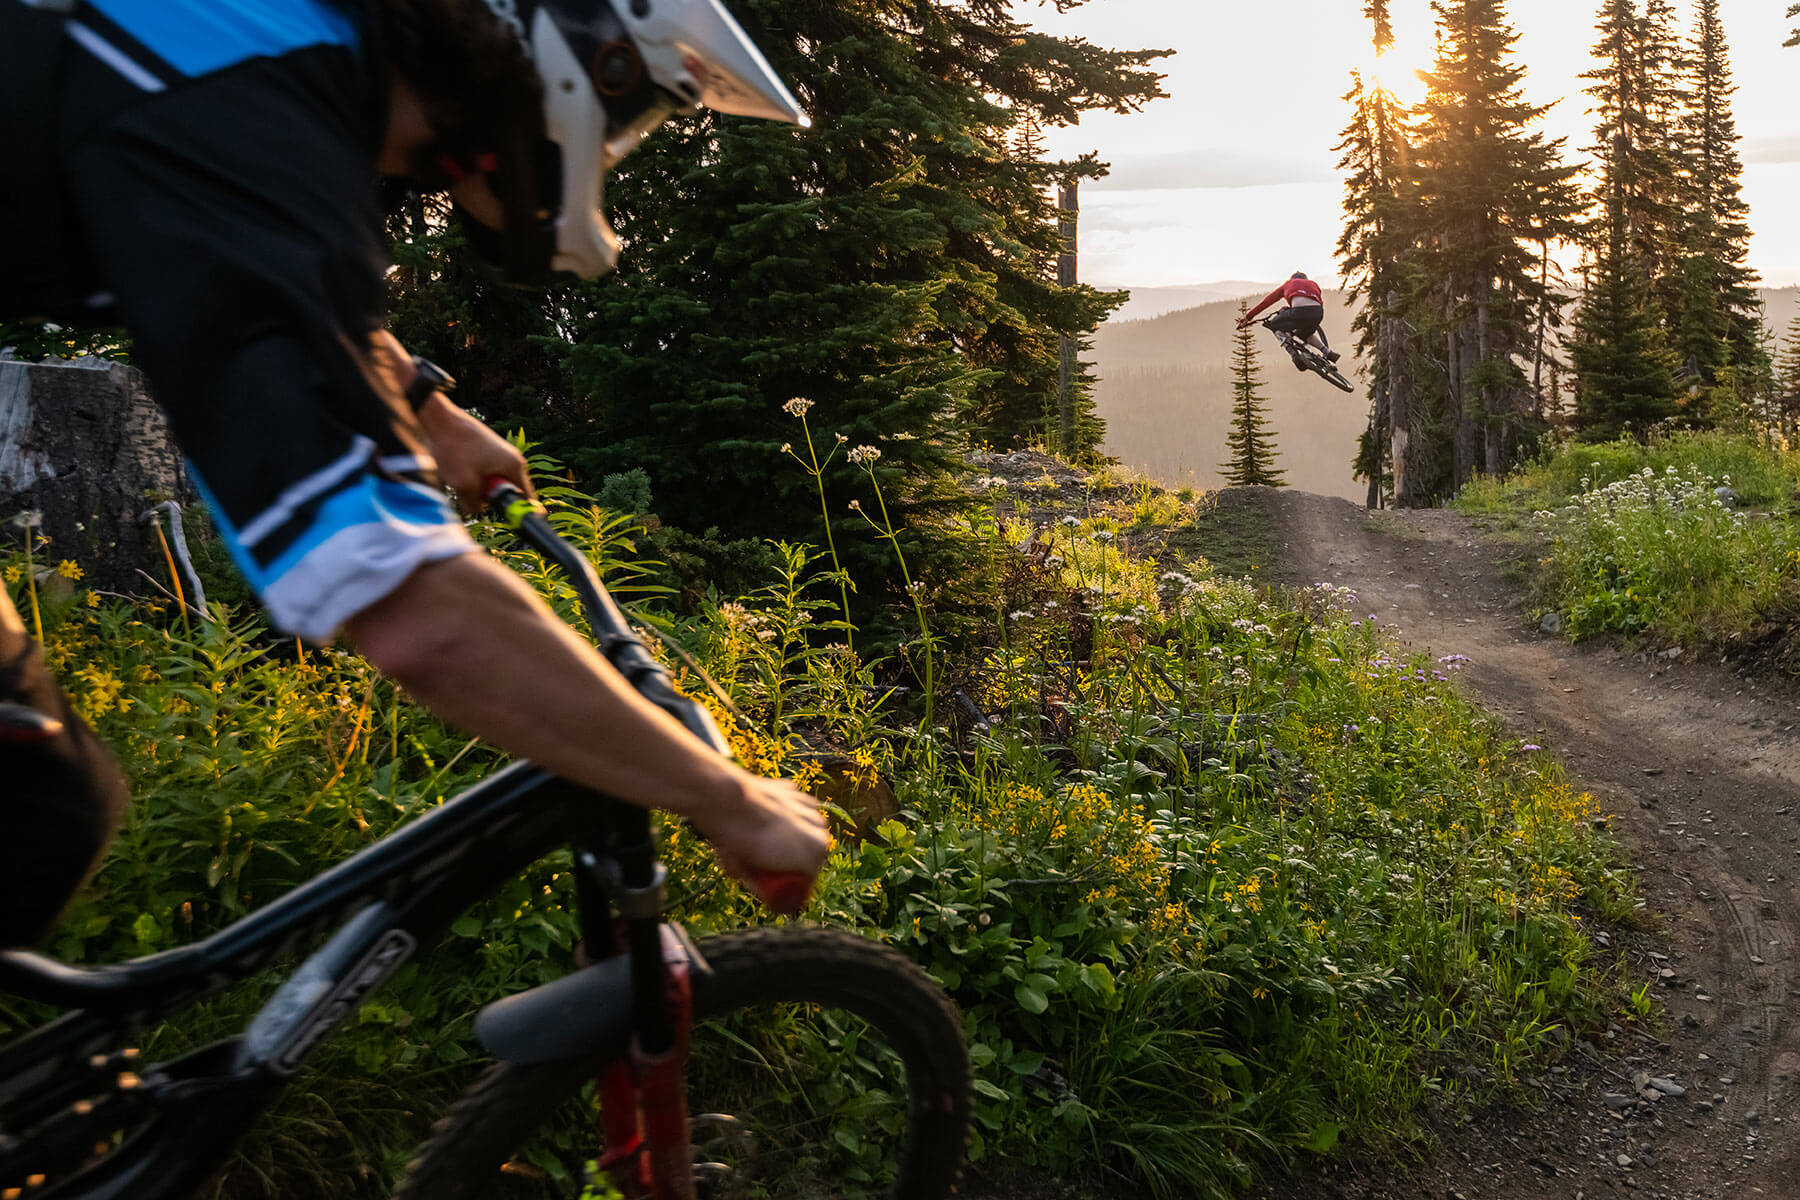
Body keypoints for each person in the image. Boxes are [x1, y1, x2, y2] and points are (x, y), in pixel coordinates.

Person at [0, 0, 829, 946]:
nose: (614, 151)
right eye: (632, 118)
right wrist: (723, 795)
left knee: (40, 805)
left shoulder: (285, 52)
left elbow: (267, 268)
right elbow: (405, 607)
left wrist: (424, 409)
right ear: (573, 61)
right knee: (29, 816)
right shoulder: (254, 95)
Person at [1236, 272, 1341, 366]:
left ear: (1292, 279)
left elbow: (1267, 302)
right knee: (1307, 334)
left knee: (1274, 325)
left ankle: (1294, 355)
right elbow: (1315, 302)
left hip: (1298, 312)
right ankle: (1328, 352)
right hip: (1318, 312)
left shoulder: (1288, 284)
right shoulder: (1313, 284)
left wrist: (1248, 317)